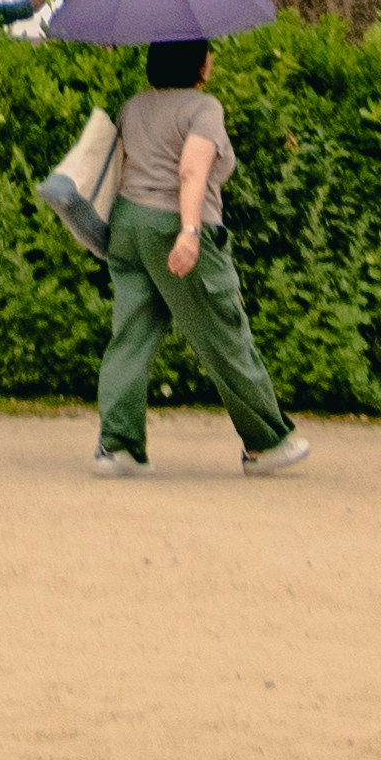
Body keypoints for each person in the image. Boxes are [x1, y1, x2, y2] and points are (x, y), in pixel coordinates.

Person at [91, 41, 304, 481]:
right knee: (223, 330)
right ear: (199, 64)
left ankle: (118, 448)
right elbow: (192, 170)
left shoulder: (134, 106)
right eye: (209, 53)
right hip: (178, 225)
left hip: (128, 223)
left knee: (130, 334)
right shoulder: (203, 108)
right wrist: (188, 232)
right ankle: (266, 442)